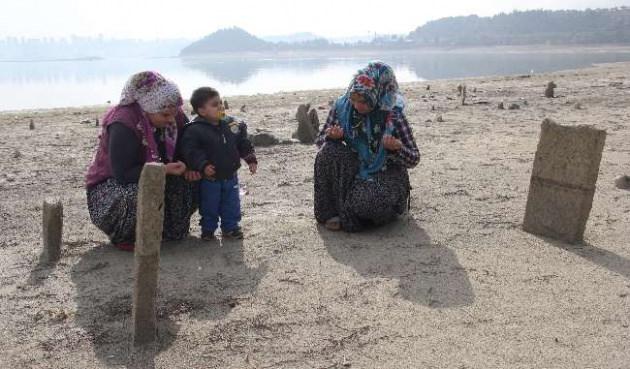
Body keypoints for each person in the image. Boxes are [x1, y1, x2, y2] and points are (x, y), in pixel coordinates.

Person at [85, 71, 201, 251]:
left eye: (174, 113)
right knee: (135, 193)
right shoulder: (123, 122)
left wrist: (190, 166)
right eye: (164, 115)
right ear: (147, 109)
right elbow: (123, 174)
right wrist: (163, 170)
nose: (171, 120)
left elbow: (188, 146)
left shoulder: (173, 113)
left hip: (161, 173)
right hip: (113, 187)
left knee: (196, 180)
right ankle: (127, 237)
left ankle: (169, 232)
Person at [314, 61, 420, 232]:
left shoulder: (393, 116)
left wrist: (397, 148)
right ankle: (334, 213)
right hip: (356, 168)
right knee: (327, 152)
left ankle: (355, 213)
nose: (357, 105)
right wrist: (332, 137)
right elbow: (320, 141)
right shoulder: (343, 107)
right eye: (354, 99)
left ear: (377, 95)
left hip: (386, 173)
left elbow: (414, 158)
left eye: (364, 101)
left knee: (366, 202)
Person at [180, 87, 257, 241]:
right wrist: (202, 165)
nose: (221, 106)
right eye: (215, 105)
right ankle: (208, 229)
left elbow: (242, 143)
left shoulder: (232, 124)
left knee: (232, 203)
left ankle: (231, 228)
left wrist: (250, 159)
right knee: (209, 205)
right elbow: (191, 151)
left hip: (231, 175)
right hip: (210, 178)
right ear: (201, 111)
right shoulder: (195, 130)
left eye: (221, 102)